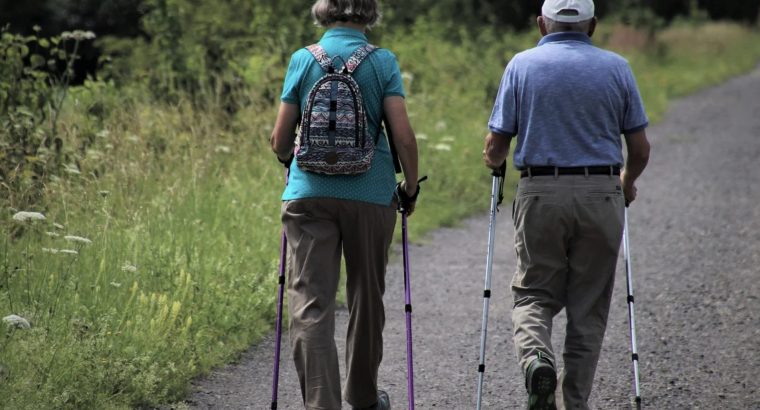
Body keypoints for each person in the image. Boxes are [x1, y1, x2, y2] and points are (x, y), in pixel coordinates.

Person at [482, 0, 651, 409]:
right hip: (601, 192)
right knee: (588, 307)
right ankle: (575, 402)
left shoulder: (522, 65)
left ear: (542, 24)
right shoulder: (617, 68)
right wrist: (626, 183)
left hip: (542, 192)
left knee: (533, 295)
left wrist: (494, 159)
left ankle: (537, 359)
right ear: (593, 25)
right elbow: (640, 148)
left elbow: (496, 145)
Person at [270, 0, 420, 408]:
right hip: (370, 195)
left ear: (323, 12)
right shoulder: (382, 62)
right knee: (365, 297)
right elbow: (403, 136)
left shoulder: (303, 59)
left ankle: (322, 403)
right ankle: (365, 398)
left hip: (309, 197)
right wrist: (408, 186)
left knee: (311, 303)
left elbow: (280, 140)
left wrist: (290, 161)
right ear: (369, 13)